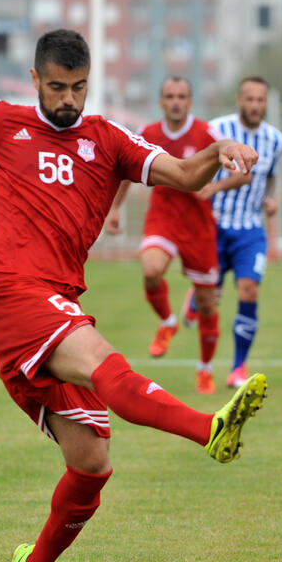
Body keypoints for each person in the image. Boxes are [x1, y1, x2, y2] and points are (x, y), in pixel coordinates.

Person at [0, 29, 269, 562]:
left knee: (92, 464)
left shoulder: (108, 138)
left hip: (60, 298)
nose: (68, 99)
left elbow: (184, 175)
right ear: (35, 79)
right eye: (56, 87)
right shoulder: (1, 122)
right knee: (106, 366)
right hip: (12, 294)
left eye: (78, 87)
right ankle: (210, 429)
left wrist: (219, 148)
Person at [104, 77, 222, 394]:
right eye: (170, 96)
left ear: (190, 101)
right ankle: (168, 321)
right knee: (151, 270)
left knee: (207, 305)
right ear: (160, 101)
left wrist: (216, 187)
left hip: (198, 224)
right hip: (163, 217)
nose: (175, 102)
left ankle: (205, 369)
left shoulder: (207, 134)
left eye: (181, 96)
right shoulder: (148, 134)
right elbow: (127, 169)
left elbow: (232, 164)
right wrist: (115, 208)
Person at [183, 76, 282, 388]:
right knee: (209, 299)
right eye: (249, 99)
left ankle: (238, 367)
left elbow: (269, 178)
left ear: (266, 103)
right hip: (214, 226)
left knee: (248, 290)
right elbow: (198, 169)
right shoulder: (217, 130)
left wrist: (269, 200)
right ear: (239, 100)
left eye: (260, 100)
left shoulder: (275, 139)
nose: (255, 105)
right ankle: (197, 297)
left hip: (250, 230)